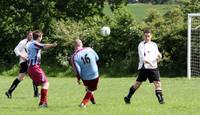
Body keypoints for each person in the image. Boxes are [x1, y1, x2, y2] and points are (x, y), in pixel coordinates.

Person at [124, 29, 165, 104]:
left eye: (148, 36)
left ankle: (161, 100)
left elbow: (158, 54)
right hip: (145, 67)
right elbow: (143, 58)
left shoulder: (154, 45)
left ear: (151, 36)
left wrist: (159, 56)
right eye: (145, 36)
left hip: (153, 67)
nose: (147, 37)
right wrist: (150, 62)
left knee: (158, 83)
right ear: (143, 36)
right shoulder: (141, 45)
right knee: (137, 84)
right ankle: (128, 97)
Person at [27, 30, 57, 108]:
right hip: (35, 67)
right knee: (46, 83)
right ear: (39, 37)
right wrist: (53, 45)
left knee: (43, 84)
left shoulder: (30, 44)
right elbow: (44, 46)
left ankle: (45, 103)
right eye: (41, 36)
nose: (42, 38)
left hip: (31, 68)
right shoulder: (34, 43)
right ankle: (42, 103)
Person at [5, 31, 39, 99]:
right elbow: (16, 50)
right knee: (32, 76)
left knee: (22, 78)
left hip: (29, 62)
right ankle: (36, 93)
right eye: (30, 35)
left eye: (32, 35)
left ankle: (9, 92)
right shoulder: (23, 42)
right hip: (24, 62)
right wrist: (22, 56)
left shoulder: (33, 42)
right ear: (27, 35)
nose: (31, 36)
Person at [71, 38, 100, 108]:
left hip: (85, 77)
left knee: (89, 88)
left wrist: (78, 78)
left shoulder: (74, 57)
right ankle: (83, 104)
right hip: (94, 74)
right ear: (81, 44)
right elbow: (97, 58)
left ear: (74, 46)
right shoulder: (89, 49)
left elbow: (78, 70)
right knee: (91, 90)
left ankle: (92, 101)